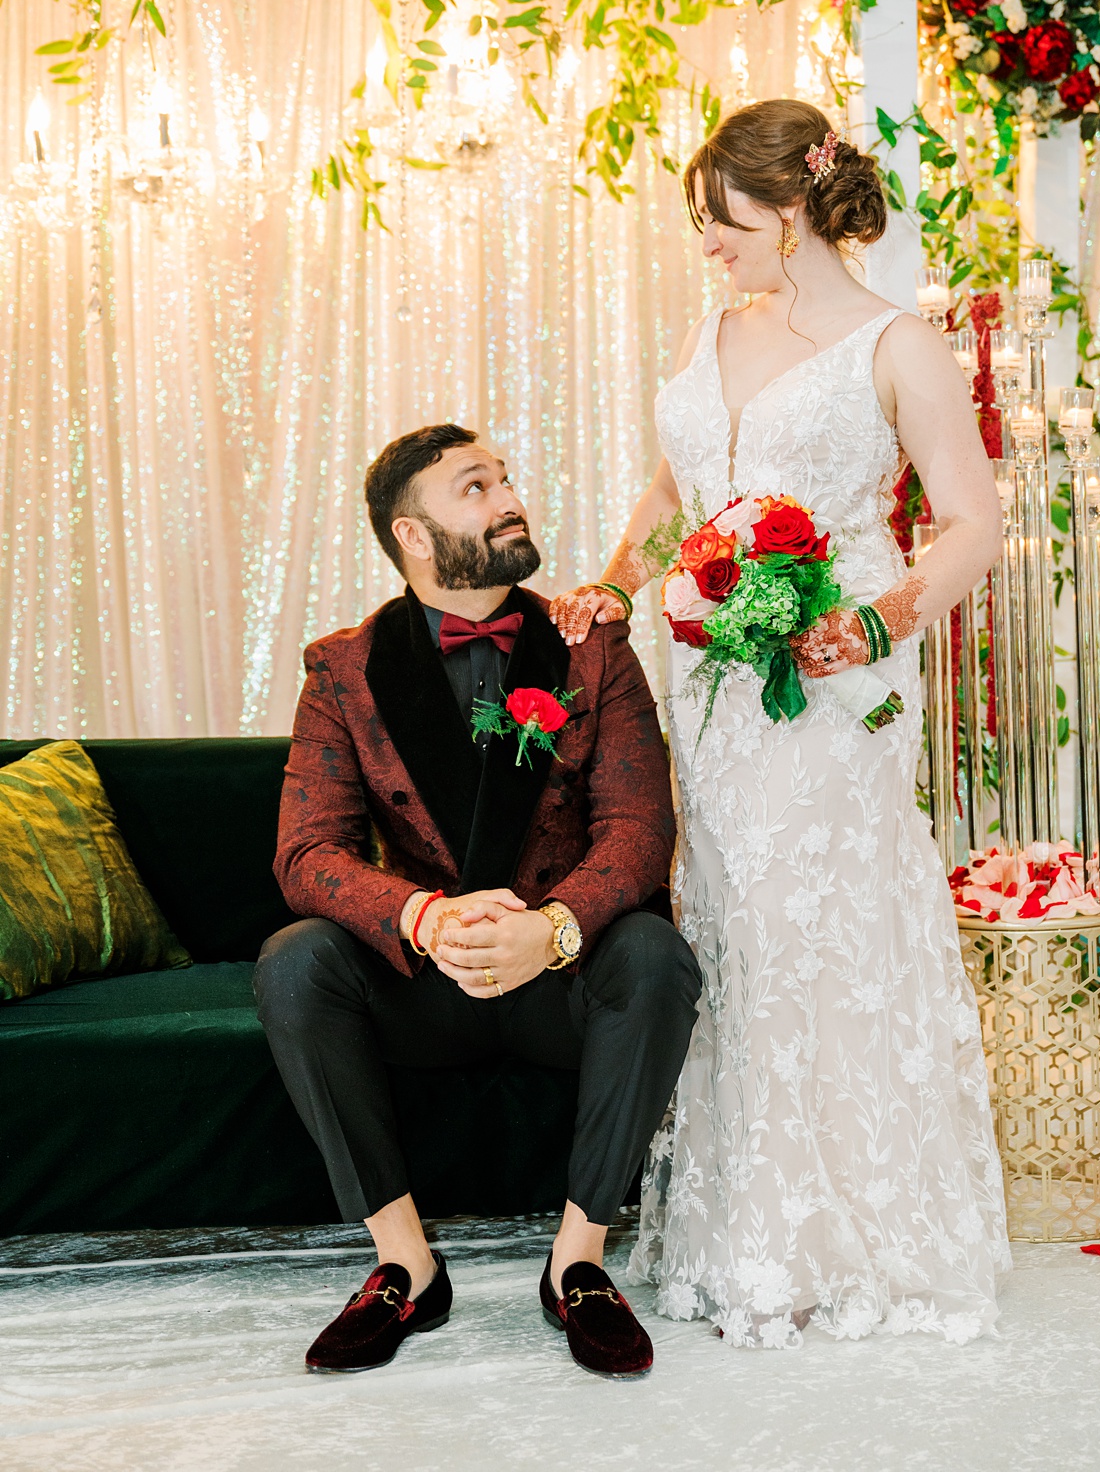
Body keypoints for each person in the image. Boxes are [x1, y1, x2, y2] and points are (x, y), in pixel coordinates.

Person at [549, 98, 1009, 1348]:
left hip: (837, 675)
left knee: (820, 926)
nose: (708, 243)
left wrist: (878, 620)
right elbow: (671, 488)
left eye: (723, 219)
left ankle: (853, 1230)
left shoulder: (898, 344)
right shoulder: (713, 329)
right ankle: (745, 1223)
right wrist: (615, 580)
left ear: (793, 207)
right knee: (732, 923)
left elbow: (973, 519)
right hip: (711, 686)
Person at [257, 425, 700, 1379]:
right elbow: (307, 851)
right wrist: (422, 918)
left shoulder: (592, 648)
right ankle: (406, 1266)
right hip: (428, 980)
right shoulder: (342, 669)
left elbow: (638, 832)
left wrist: (552, 929)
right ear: (413, 535)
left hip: (559, 978)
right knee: (293, 961)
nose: (509, 498)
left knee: (658, 957)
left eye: (504, 478)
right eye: (475, 486)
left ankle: (577, 1265)